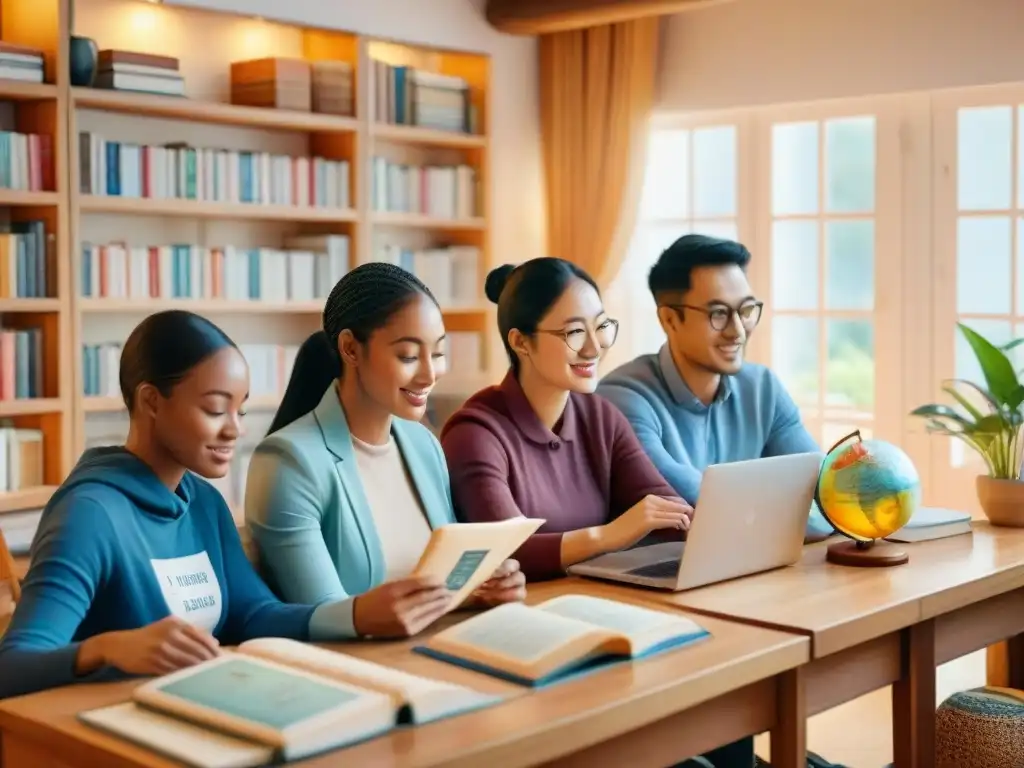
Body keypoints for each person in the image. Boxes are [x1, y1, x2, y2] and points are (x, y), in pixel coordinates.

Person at [0, 311, 362, 701]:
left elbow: (254, 613)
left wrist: (357, 614)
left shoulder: (203, 501)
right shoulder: (90, 515)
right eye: (214, 409)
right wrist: (106, 648)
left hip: (201, 710)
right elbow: (12, 666)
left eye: (238, 411)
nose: (234, 430)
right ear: (152, 401)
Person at [244, 263, 525, 639]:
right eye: (409, 356)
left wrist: (480, 590)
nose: (429, 374)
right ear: (350, 349)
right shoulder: (288, 462)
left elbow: (438, 581)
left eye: (438, 353)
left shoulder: (423, 444)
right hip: (357, 670)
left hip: (440, 647)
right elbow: (319, 614)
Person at [440, 257, 694, 584]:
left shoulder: (601, 417)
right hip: (520, 613)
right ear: (520, 342)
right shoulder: (475, 435)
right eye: (574, 332)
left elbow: (666, 510)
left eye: (600, 327)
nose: (593, 348)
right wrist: (607, 536)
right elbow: (505, 551)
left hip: (596, 599)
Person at [597, 234, 833, 540]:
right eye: (718, 314)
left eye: (745, 310)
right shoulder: (621, 400)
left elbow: (829, 496)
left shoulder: (763, 389)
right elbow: (701, 506)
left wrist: (805, 515)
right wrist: (788, 511)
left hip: (751, 568)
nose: (737, 331)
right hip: (655, 580)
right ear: (669, 320)